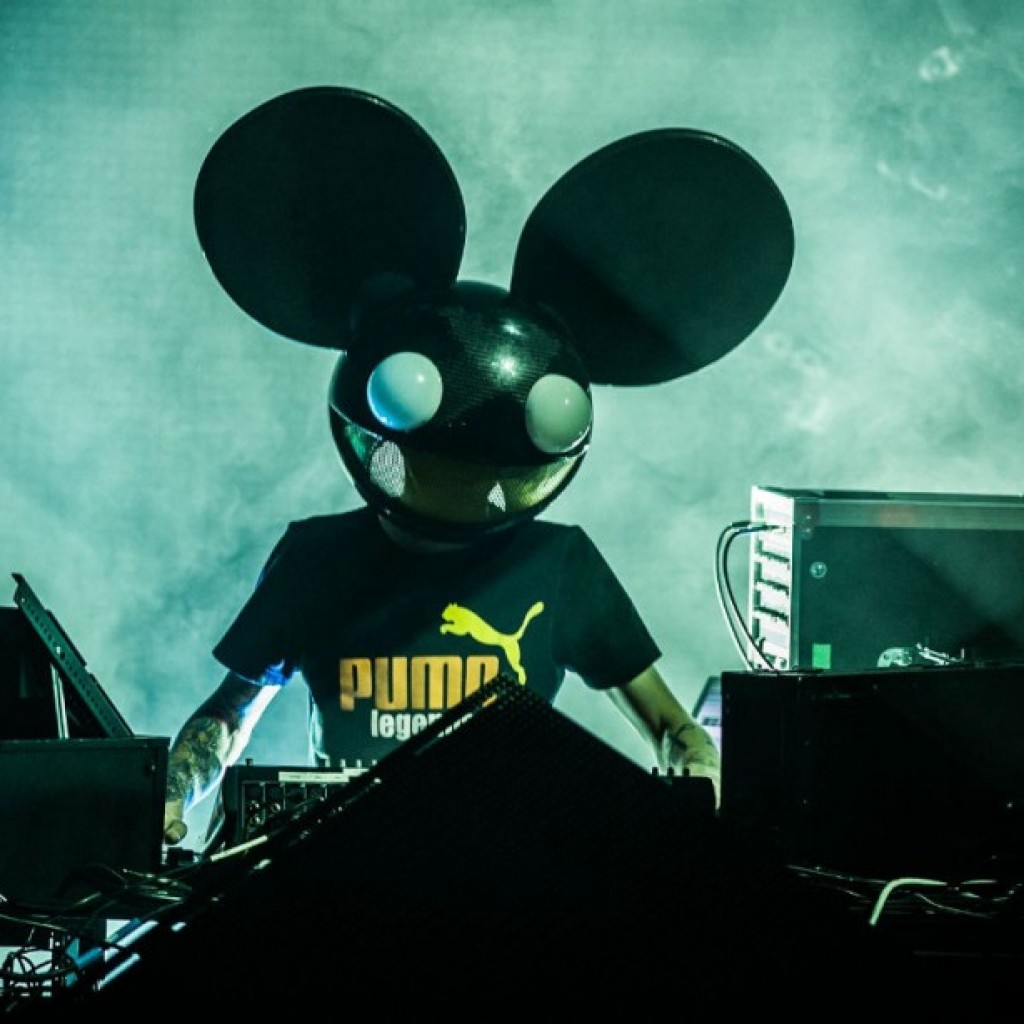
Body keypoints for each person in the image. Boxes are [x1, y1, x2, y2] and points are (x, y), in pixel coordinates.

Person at [162, 85, 793, 849]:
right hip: (348, 864)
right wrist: (169, 797)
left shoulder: (561, 565)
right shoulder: (317, 558)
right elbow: (227, 717)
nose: (462, 486)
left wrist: (701, 789)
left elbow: (670, 727)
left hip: (515, 863)